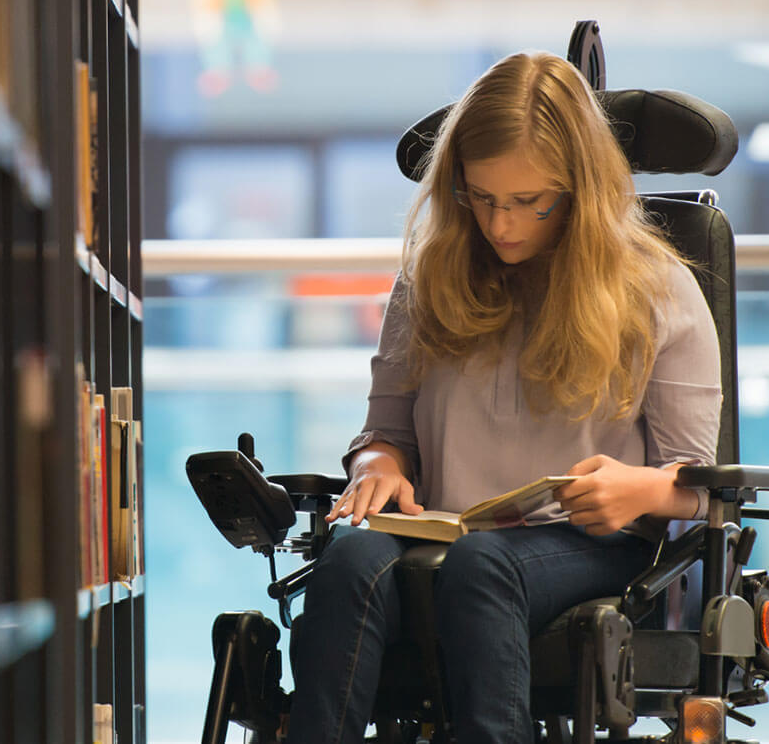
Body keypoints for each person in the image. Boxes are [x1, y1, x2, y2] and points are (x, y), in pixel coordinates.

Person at [285, 51, 724, 743]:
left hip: (590, 545)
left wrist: (638, 489)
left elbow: (699, 485)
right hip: (444, 528)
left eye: (528, 202)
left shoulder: (658, 288)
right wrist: (376, 466)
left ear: (582, 191)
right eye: (481, 197)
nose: (502, 225)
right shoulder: (429, 278)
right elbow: (387, 433)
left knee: (482, 565)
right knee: (346, 560)